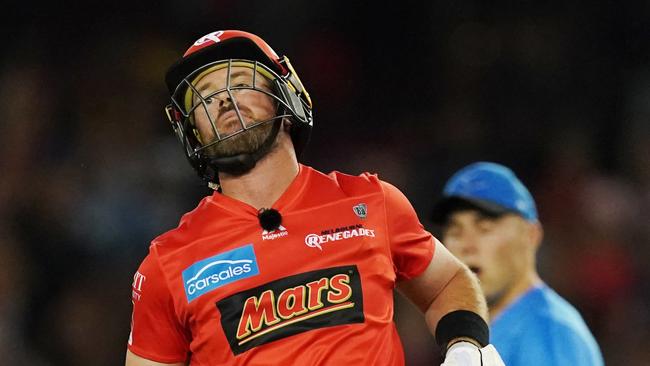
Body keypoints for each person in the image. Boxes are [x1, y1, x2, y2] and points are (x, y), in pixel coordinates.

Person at [125, 30, 505, 366]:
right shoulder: (168, 263)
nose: (223, 100)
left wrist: (465, 347)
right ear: (192, 132)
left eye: (239, 83)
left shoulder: (371, 202)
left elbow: (446, 282)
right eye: (204, 97)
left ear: (284, 99)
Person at [431, 162, 605, 366]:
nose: (467, 245)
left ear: (531, 236)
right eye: (455, 231)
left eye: (485, 228)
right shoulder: (478, 335)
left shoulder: (549, 333)